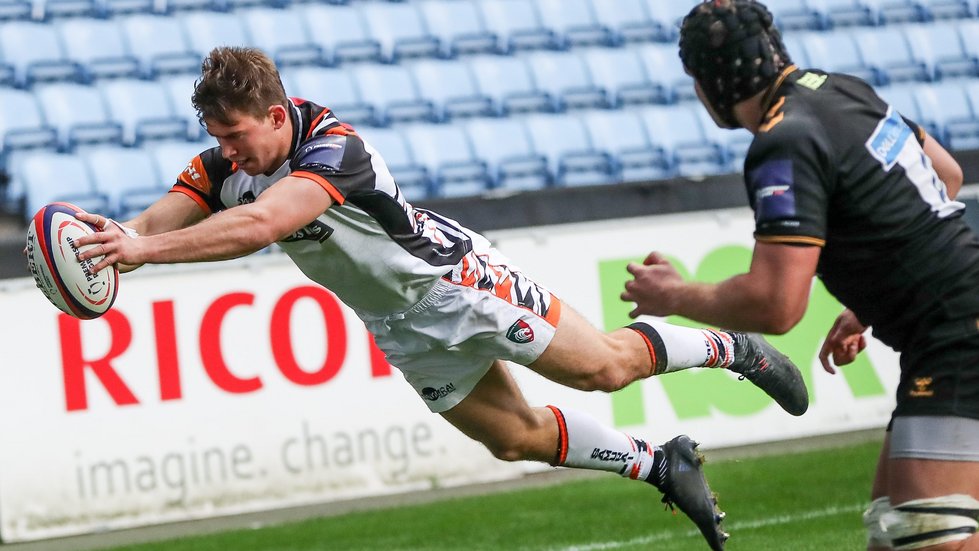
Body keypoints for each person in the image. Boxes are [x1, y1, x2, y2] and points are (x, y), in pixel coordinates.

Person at [73, 46, 809, 551]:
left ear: (274, 116)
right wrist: (109, 247)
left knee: (603, 369)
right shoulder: (225, 164)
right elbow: (151, 224)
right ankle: (659, 462)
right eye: (215, 137)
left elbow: (263, 222)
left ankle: (730, 348)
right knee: (512, 437)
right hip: (396, 322)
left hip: (459, 284)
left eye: (233, 135)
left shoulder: (333, 146)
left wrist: (143, 249)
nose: (225, 151)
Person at [621, 2, 979, 550]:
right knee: (891, 529)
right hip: (951, 324)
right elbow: (946, 177)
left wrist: (673, 294)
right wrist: (871, 303)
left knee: (928, 533)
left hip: (957, 335)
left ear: (708, 84)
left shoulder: (781, 141)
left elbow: (776, 305)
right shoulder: (843, 88)